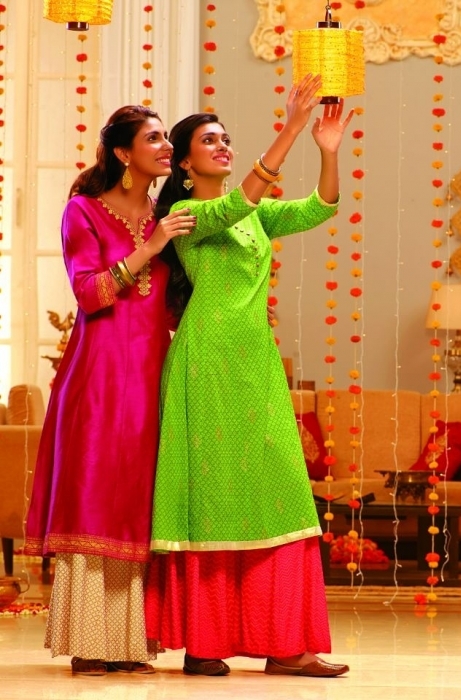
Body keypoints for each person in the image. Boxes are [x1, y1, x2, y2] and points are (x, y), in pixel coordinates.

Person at [143, 74, 353, 678]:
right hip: (206, 360)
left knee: (278, 491)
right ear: (185, 165)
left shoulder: (256, 216)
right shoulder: (186, 213)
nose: (223, 146)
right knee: (212, 494)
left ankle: (284, 644)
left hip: (256, 362)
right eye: (210, 140)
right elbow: (237, 204)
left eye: (226, 138)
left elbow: (320, 207)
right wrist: (289, 129)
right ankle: (204, 641)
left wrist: (327, 151)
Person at [24, 105, 197, 676]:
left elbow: (172, 302)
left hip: (151, 372)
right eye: (154, 138)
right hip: (99, 374)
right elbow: (89, 294)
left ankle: (130, 643)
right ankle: (89, 640)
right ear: (124, 153)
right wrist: (149, 248)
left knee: (140, 499)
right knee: (97, 493)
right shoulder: (84, 211)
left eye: (167, 138)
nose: (166, 147)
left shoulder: (168, 213)